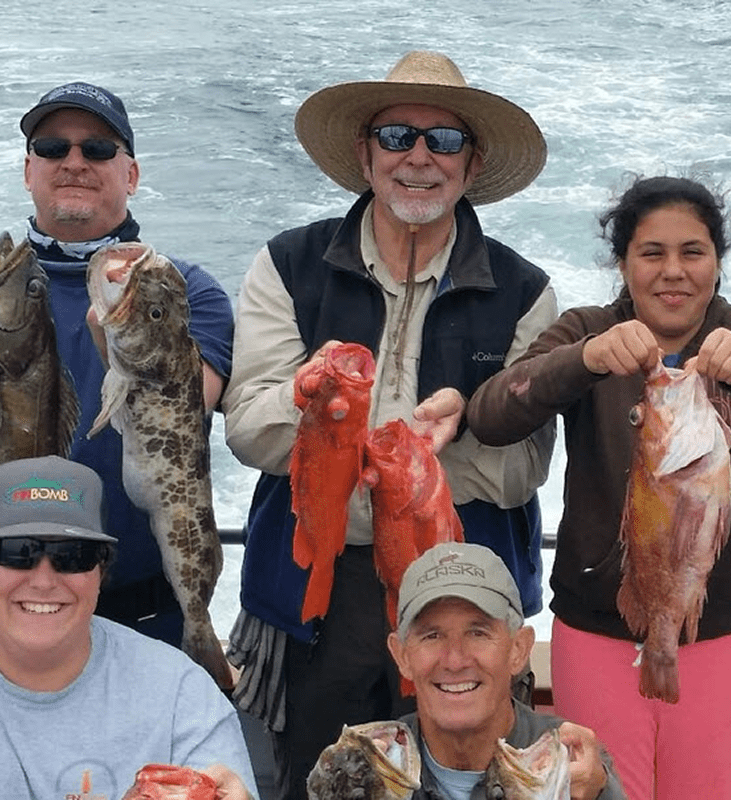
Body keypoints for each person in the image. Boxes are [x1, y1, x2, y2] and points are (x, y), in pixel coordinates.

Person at [221, 50, 557, 798]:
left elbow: (525, 466)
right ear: (364, 155)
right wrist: (314, 406)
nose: (418, 157)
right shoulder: (285, 264)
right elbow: (247, 427)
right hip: (318, 585)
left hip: (460, 588)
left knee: (467, 779)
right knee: (319, 775)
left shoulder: (528, 292)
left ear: (472, 167)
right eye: (397, 134)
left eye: (443, 141)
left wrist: (447, 441)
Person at [465, 175, 731, 800]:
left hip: (718, 632)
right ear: (623, 264)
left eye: (692, 252)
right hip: (595, 631)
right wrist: (584, 359)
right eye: (652, 253)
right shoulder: (587, 329)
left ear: (717, 262)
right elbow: (490, 415)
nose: (673, 271)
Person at [0, 82, 234, 648]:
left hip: (144, 606)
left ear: (130, 174)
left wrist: (130, 325)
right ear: (28, 170)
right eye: (53, 148)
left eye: (99, 150)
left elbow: (183, 411)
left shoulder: (183, 293)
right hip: (14, 590)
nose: (75, 163)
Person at [0, 455, 257, 798]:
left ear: (100, 572)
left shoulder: (182, 693)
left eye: (73, 556)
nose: (43, 580)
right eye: (17, 551)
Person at [379, 541, 625, 800]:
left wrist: (600, 795)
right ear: (402, 656)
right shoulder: (365, 765)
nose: (455, 660)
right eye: (432, 636)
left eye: (478, 633)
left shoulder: (576, 764)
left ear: (519, 649)